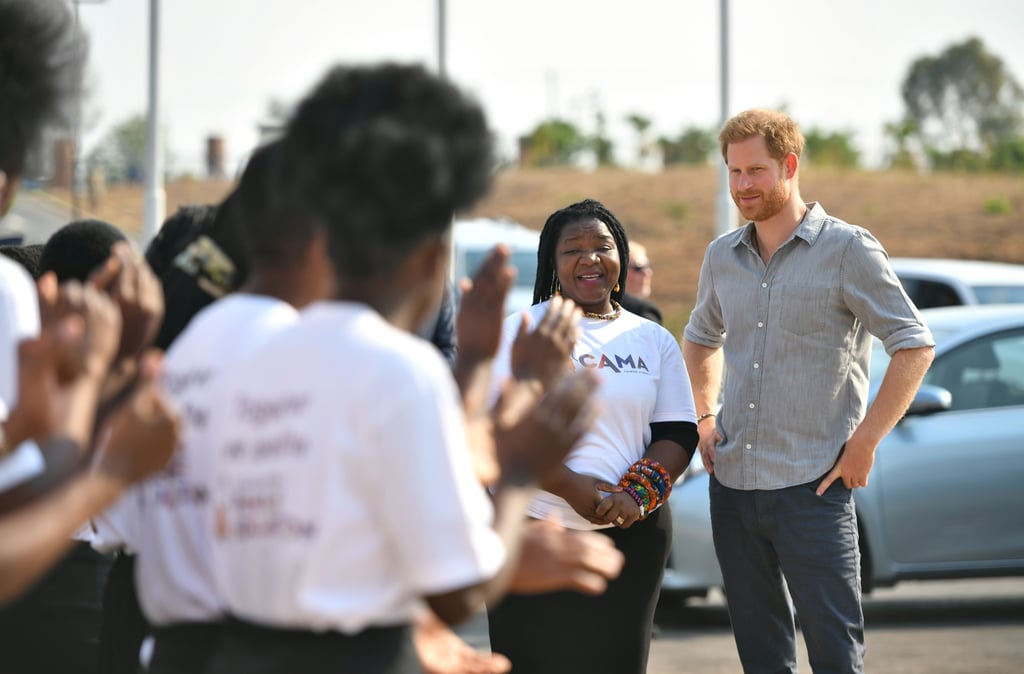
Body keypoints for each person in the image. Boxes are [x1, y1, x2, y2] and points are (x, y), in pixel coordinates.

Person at [682, 108, 935, 674]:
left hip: (814, 491)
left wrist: (865, 441)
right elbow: (699, 339)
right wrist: (704, 417)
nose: (743, 185)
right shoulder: (722, 256)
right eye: (734, 172)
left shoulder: (848, 250)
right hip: (734, 487)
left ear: (789, 166)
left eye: (756, 171)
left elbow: (914, 345)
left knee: (835, 657)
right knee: (762, 659)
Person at [486, 198, 698, 674]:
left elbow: (678, 432)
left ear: (620, 257)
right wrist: (568, 486)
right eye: (572, 249)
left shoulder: (652, 339)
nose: (589, 258)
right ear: (552, 262)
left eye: (602, 246)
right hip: (532, 532)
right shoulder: (519, 331)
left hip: (632, 537)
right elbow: (497, 429)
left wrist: (635, 496)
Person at [619, 240, 662, 324]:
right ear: (619, 272)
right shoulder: (643, 313)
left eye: (648, 265)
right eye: (638, 268)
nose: (647, 272)